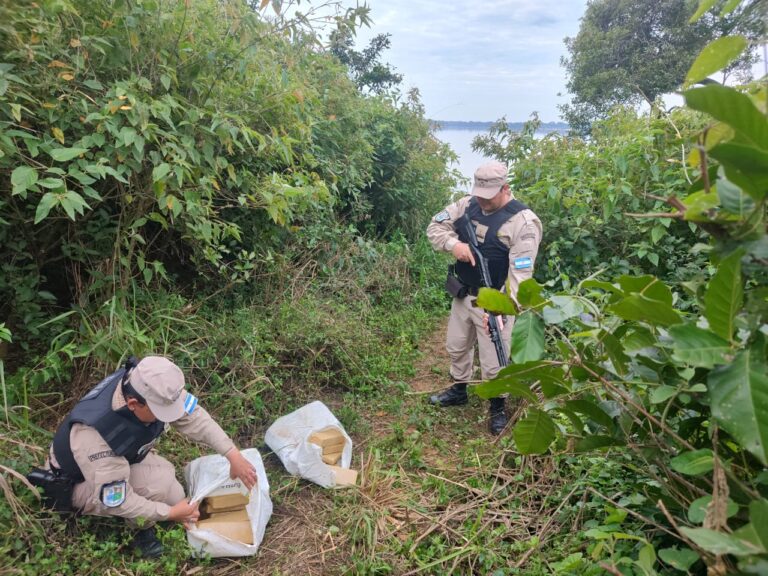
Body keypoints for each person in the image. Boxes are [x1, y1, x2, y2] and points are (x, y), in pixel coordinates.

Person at [32, 356, 258, 558]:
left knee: (174, 488)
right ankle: (140, 534)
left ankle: (156, 512)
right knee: (157, 490)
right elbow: (117, 499)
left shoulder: (150, 383)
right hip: (80, 482)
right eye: (161, 412)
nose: (168, 417)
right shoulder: (97, 433)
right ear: (133, 404)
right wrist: (169, 514)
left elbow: (193, 416)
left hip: (122, 460)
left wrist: (232, 454)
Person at [426, 161, 542, 435]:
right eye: (478, 193)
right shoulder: (467, 205)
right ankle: (459, 389)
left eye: (488, 196)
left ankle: (497, 407)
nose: (482, 201)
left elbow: (520, 274)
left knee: (495, 360)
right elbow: (435, 227)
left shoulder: (523, 223)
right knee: (456, 345)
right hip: (464, 293)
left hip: (495, 300)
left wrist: (506, 308)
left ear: (505, 189)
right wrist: (456, 245)